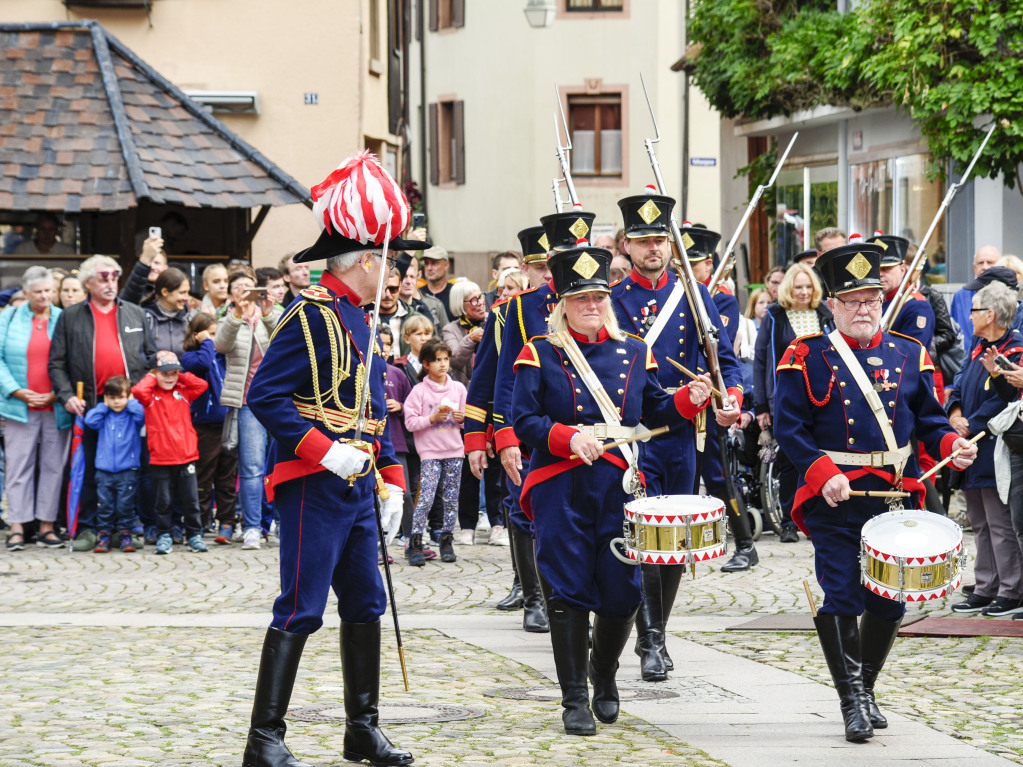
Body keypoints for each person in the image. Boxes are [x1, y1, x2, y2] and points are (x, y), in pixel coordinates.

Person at [242, 151, 420, 767]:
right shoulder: (311, 315)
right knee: (301, 606)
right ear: (367, 259)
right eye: (391, 258)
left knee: (367, 601)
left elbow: (374, 406)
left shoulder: (363, 319)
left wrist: (392, 476)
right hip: (314, 486)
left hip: (360, 487)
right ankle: (264, 739)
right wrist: (324, 452)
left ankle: (361, 729)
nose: (395, 270)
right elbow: (263, 395)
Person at [773, 242, 976, 742]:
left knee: (889, 603)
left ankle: (863, 684)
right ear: (833, 306)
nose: (864, 308)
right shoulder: (806, 355)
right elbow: (790, 426)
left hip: (893, 501)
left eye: (871, 298)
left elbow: (929, 419)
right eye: (853, 300)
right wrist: (821, 472)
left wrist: (954, 443)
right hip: (834, 498)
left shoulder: (910, 353)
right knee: (841, 593)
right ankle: (852, 702)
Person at [511, 243, 711, 736]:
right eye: (581, 298)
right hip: (560, 483)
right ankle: (574, 697)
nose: (592, 305)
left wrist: (689, 398)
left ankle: (603, 673)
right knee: (567, 590)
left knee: (622, 594)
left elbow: (653, 411)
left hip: (618, 484)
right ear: (562, 302)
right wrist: (567, 436)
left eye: (599, 296)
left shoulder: (634, 350)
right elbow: (525, 420)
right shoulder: (540, 351)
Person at [611, 192, 746, 686]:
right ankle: (648, 638)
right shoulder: (613, 302)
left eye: (660, 240)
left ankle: (657, 631)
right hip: (638, 435)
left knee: (674, 541)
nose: (653, 248)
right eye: (644, 240)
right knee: (644, 541)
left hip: (685, 438)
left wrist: (730, 397)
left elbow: (724, 360)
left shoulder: (695, 295)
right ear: (627, 245)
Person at [49, 255, 157, 552]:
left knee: (132, 470)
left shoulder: (134, 313)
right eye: (103, 276)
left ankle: (128, 526)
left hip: (130, 408)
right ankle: (88, 527)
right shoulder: (70, 316)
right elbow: (56, 363)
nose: (111, 282)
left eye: (114, 275)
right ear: (87, 283)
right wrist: (67, 395)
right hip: (91, 408)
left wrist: (141, 393)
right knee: (88, 471)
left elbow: (150, 359)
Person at [947, 281, 1023, 617]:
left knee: (999, 522)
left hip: (994, 445)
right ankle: (985, 585)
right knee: (978, 521)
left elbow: (1003, 399)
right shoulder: (977, 344)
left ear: (990, 314)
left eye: (975, 309)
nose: (970, 315)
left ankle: (1009, 589)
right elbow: (960, 382)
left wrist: (973, 423)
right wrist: (955, 412)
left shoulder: (1015, 348)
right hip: (969, 442)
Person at [754, 262, 831, 542]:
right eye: (798, 286)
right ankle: (787, 521)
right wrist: (761, 406)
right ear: (788, 288)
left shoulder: (824, 314)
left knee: (821, 456)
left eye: (808, 286)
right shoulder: (775, 316)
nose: (803, 291)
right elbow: (761, 360)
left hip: (821, 397)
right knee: (788, 461)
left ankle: (815, 517)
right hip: (784, 398)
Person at [0, 267, 73, 551]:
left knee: (54, 467)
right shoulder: (8, 318)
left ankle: (46, 525)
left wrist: (58, 394)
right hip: (20, 404)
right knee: (19, 466)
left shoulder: (63, 319)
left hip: (55, 405)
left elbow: (72, 359)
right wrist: (16, 391)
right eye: (38, 292)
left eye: (48, 291)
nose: (44, 296)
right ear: (26, 292)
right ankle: (18, 526)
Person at [214, 270, 282, 551]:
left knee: (281, 464)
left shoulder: (273, 312)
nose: (244, 291)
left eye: (249, 287)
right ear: (232, 294)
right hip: (247, 402)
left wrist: (266, 314)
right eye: (238, 287)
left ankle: (280, 523)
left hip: (278, 400)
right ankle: (253, 527)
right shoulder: (229, 318)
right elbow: (221, 345)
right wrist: (238, 315)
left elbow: (282, 344)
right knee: (252, 468)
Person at [132, 351, 208, 554]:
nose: (170, 377)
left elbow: (202, 385)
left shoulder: (183, 391)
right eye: (165, 373)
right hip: (160, 458)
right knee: (163, 501)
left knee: (191, 500)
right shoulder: (150, 396)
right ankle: (163, 534)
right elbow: (138, 391)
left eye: (174, 373)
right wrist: (152, 375)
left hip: (186, 456)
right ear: (155, 373)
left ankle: (194, 535)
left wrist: (179, 374)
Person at [402, 338, 467, 566]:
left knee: (451, 499)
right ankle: (415, 542)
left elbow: (465, 421)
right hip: (430, 452)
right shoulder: (419, 391)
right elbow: (410, 422)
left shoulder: (458, 388)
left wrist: (461, 419)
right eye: (437, 360)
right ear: (426, 364)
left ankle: (446, 540)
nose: (442, 364)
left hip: (455, 451)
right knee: (426, 498)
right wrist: (431, 418)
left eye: (446, 359)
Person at [181, 312, 238, 544]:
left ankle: (227, 523)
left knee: (226, 477)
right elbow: (203, 364)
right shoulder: (190, 358)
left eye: (216, 335)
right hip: (205, 426)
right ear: (197, 336)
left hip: (227, 423)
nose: (215, 340)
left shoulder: (223, 357)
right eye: (211, 334)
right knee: (204, 477)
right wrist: (206, 342)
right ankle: (201, 522)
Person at [83, 376, 145, 553]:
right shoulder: (104, 415)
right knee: (105, 506)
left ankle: (126, 535)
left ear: (128, 397)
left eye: (121, 397)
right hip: (104, 470)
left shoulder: (133, 415)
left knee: (125, 506)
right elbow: (90, 421)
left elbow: (143, 415)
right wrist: (103, 406)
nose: (116, 401)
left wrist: (132, 402)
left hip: (128, 470)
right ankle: (104, 536)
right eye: (112, 397)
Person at [870, 233, 935, 348]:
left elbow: (911, 352)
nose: (880, 274)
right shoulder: (872, 301)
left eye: (886, 269)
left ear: (902, 270)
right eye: (876, 269)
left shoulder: (917, 306)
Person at [950, 245, 1002, 349]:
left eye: (990, 263)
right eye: (980, 263)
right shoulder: (961, 296)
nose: (985, 267)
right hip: (966, 359)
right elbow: (953, 332)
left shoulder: (1007, 296)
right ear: (974, 267)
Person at [139, 267, 196, 357]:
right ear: (165, 292)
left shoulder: (189, 319)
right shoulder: (146, 318)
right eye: (182, 292)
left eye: (188, 292)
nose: (186, 298)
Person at [399, 250, 447, 330]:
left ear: (418, 275)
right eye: (404, 276)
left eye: (412, 277)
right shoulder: (390, 305)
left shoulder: (428, 306)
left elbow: (444, 334)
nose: (408, 281)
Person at [120, 236, 168, 304]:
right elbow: (126, 303)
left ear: (166, 268)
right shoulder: (132, 289)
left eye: (157, 263)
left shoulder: (171, 290)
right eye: (149, 261)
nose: (152, 266)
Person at [421, 246, 458, 323]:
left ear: (446, 265)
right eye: (426, 263)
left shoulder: (455, 293)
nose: (429, 268)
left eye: (434, 263)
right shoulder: (419, 294)